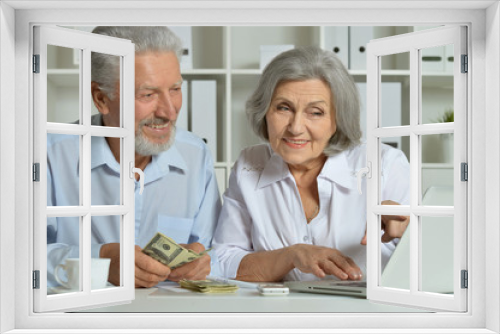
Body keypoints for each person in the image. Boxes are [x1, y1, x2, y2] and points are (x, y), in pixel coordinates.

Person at [212, 46, 410, 282]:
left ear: (338, 119)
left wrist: (407, 232)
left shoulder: (385, 165)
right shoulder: (250, 165)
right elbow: (223, 261)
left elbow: (429, 262)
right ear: (265, 111)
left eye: (315, 112)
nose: (295, 127)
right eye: (283, 108)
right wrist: (291, 256)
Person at [47, 26, 222, 288]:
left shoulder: (196, 155)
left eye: (175, 89)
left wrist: (203, 262)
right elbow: (18, 257)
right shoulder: (50, 154)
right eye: (148, 94)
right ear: (101, 98)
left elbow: (216, 253)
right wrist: (100, 260)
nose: (169, 111)